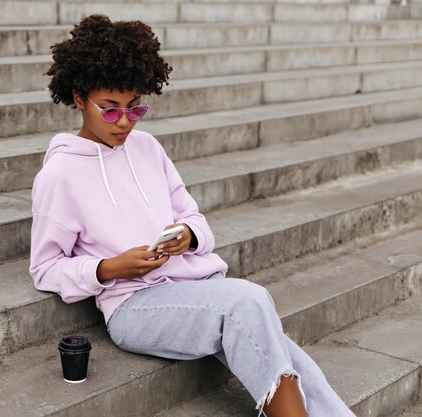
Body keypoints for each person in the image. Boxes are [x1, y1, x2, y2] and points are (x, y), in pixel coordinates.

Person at [29, 14, 356, 417]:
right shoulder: (60, 175)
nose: (125, 122)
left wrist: (187, 235)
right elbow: (45, 268)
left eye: (135, 108)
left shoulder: (147, 149)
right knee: (249, 302)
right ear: (79, 99)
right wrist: (110, 268)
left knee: (288, 357)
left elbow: (194, 217)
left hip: (193, 286)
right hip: (134, 307)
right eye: (110, 110)